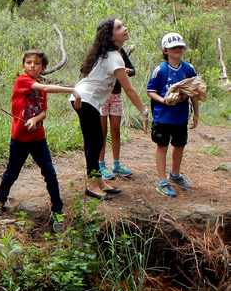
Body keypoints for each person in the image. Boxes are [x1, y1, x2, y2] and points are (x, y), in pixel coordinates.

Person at [0, 49, 81, 232]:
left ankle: (57, 211)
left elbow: (43, 112)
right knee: (12, 172)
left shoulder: (40, 87)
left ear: (43, 67)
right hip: (19, 139)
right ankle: (0, 199)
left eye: (37, 63)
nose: (32, 65)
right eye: (29, 62)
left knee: (50, 173)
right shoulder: (22, 81)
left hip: (38, 139)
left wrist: (35, 119)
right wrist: (73, 90)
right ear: (23, 65)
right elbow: (46, 88)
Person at [70, 18, 149, 200]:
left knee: (95, 141)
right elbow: (128, 89)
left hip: (83, 99)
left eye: (123, 25)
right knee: (94, 142)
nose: (125, 28)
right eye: (120, 27)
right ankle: (92, 184)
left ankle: (98, 182)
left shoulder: (110, 54)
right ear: (110, 35)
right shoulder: (113, 56)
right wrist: (143, 110)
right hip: (84, 99)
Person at [147, 32, 199, 197]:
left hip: (181, 116)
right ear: (165, 50)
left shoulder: (188, 69)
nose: (177, 49)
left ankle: (175, 175)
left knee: (180, 145)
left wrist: (196, 113)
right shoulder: (160, 70)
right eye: (173, 47)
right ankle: (162, 181)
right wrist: (164, 100)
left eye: (179, 47)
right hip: (163, 116)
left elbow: (194, 92)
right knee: (162, 146)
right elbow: (151, 91)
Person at [98, 47, 135, 180]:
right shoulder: (100, 50)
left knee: (116, 130)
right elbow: (86, 68)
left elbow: (132, 70)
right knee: (101, 131)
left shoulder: (120, 50)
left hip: (116, 95)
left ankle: (116, 164)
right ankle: (101, 165)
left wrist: (127, 71)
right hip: (102, 95)